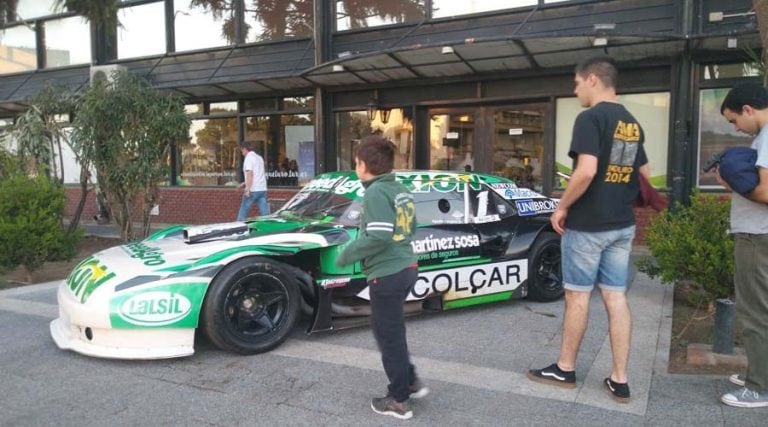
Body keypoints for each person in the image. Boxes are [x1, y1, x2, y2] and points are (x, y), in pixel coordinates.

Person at [527, 56, 650, 404]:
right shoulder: (631, 122)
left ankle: (565, 368)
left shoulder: (590, 118)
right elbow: (643, 170)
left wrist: (562, 206)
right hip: (621, 224)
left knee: (577, 296)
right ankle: (619, 379)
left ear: (593, 80)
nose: (575, 89)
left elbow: (586, 171)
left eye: (577, 82)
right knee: (615, 297)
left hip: (589, 224)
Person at [335, 135, 427, 420]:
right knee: (388, 330)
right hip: (406, 267)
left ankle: (399, 400)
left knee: (388, 336)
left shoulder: (375, 193)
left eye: (356, 163)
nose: (355, 167)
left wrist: (345, 256)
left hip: (387, 272)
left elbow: (377, 236)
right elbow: (411, 226)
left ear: (363, 165)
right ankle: (409, 380)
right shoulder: (399, 188)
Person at [716, 82, 768, 408]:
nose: (736, 128)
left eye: (735, 120)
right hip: (758, 233)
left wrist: (734, 182)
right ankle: (760, 371)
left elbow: (766, 192)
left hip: (757, 235)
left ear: (748, 109)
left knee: (756, 312)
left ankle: (759, 387)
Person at [236, 142, 269, 221]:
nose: (242, 153)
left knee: (243, 211)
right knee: (265, 213)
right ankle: (270, 227)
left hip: (253, 190)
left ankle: (238, 227)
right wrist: (243, 183)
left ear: (245, 149)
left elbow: (250, 173)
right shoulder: (259, 158)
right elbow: (258, 173)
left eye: (242, 151)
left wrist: (247, 189)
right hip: (262, 189)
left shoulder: (249, 158)